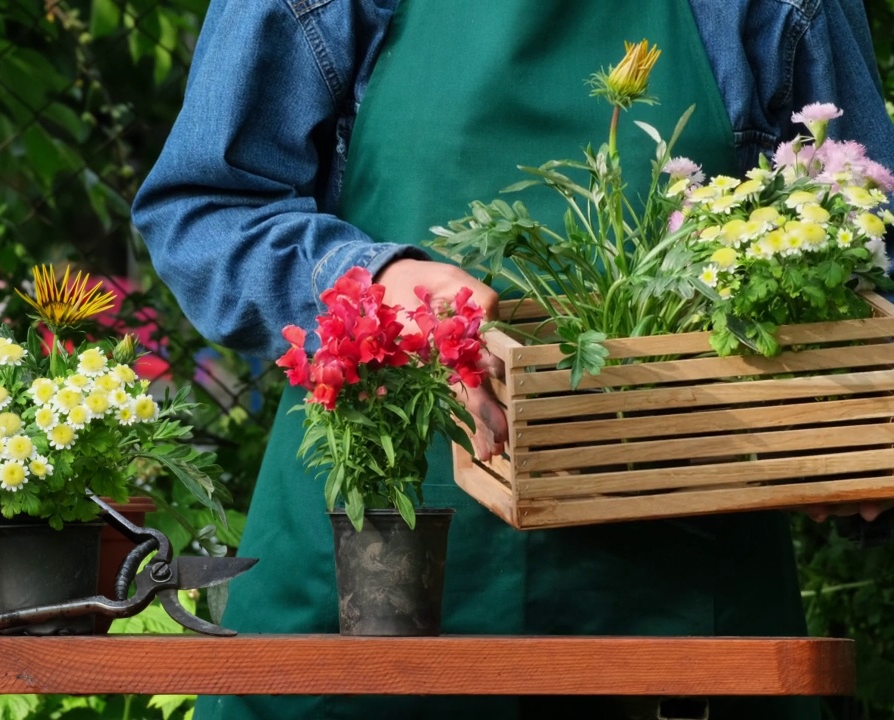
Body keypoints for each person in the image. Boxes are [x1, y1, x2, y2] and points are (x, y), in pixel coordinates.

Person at [131, 1, 894, 718]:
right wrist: (373, 284)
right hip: (366, 563)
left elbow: (865, 224)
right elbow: (205, 208)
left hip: (680, 576)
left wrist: (841, 421)